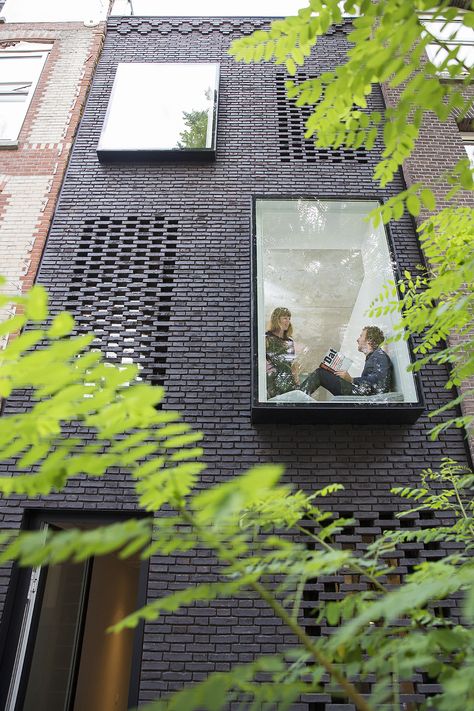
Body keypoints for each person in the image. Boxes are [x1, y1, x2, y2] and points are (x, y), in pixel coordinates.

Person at [300, 325, 393, 397]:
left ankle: (296, 398)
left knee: (320, 374)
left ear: (369, 340)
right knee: (324, 373)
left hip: (362, 397)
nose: (357, 339)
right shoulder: (374, 356)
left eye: (361, 336)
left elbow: (380, 383)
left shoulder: (379, 355)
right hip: (362, 394)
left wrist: (351, 379)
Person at [265, 307, 300, 399]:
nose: (288, 321)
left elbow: (292, 363)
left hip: (289, 381)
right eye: (285, 318)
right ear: (277, 319)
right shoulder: (267, 338)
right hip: (273, 381)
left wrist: (296, 379)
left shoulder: (289, 341)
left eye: (289, 318)